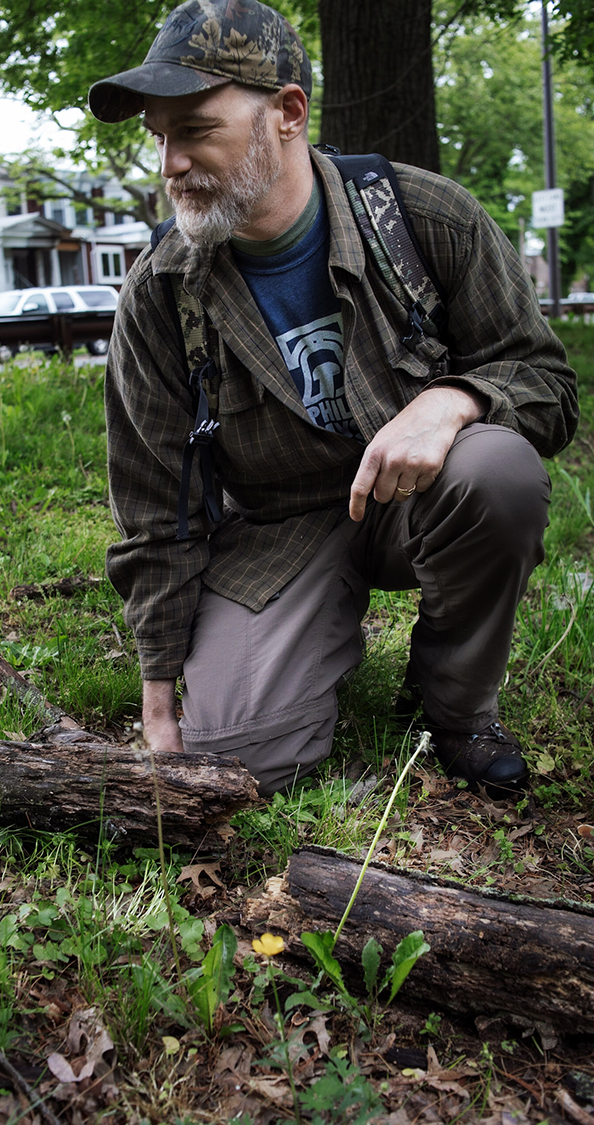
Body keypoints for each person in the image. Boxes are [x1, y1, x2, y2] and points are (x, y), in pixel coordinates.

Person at [88, 0, 578, 799]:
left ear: (288, 113)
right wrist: (158, 695)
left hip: (421, 498)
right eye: (159, 136)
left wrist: (453, 399)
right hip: (279, 534)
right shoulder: (161, 295)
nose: (170, 162)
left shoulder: (425, 218)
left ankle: (454, 707)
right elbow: (156, 509)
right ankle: (293, 653)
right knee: (240, 760)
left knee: (498, 469)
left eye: (196, 129)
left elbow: (547, 385)